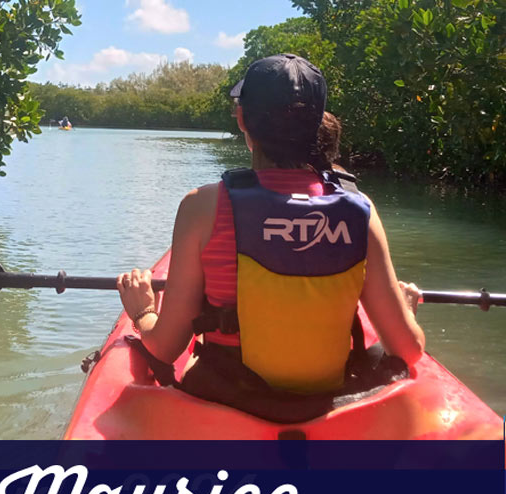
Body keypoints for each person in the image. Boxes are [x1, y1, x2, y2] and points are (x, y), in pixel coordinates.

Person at [116, 54, 424, 411]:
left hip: (228, 400)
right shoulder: (360, 210)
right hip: (328, 403)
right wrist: (405, 310)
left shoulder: (202, 208)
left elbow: (166, 347)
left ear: (243, 119)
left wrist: (142, 312)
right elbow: (408, 350)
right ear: (318, 123)